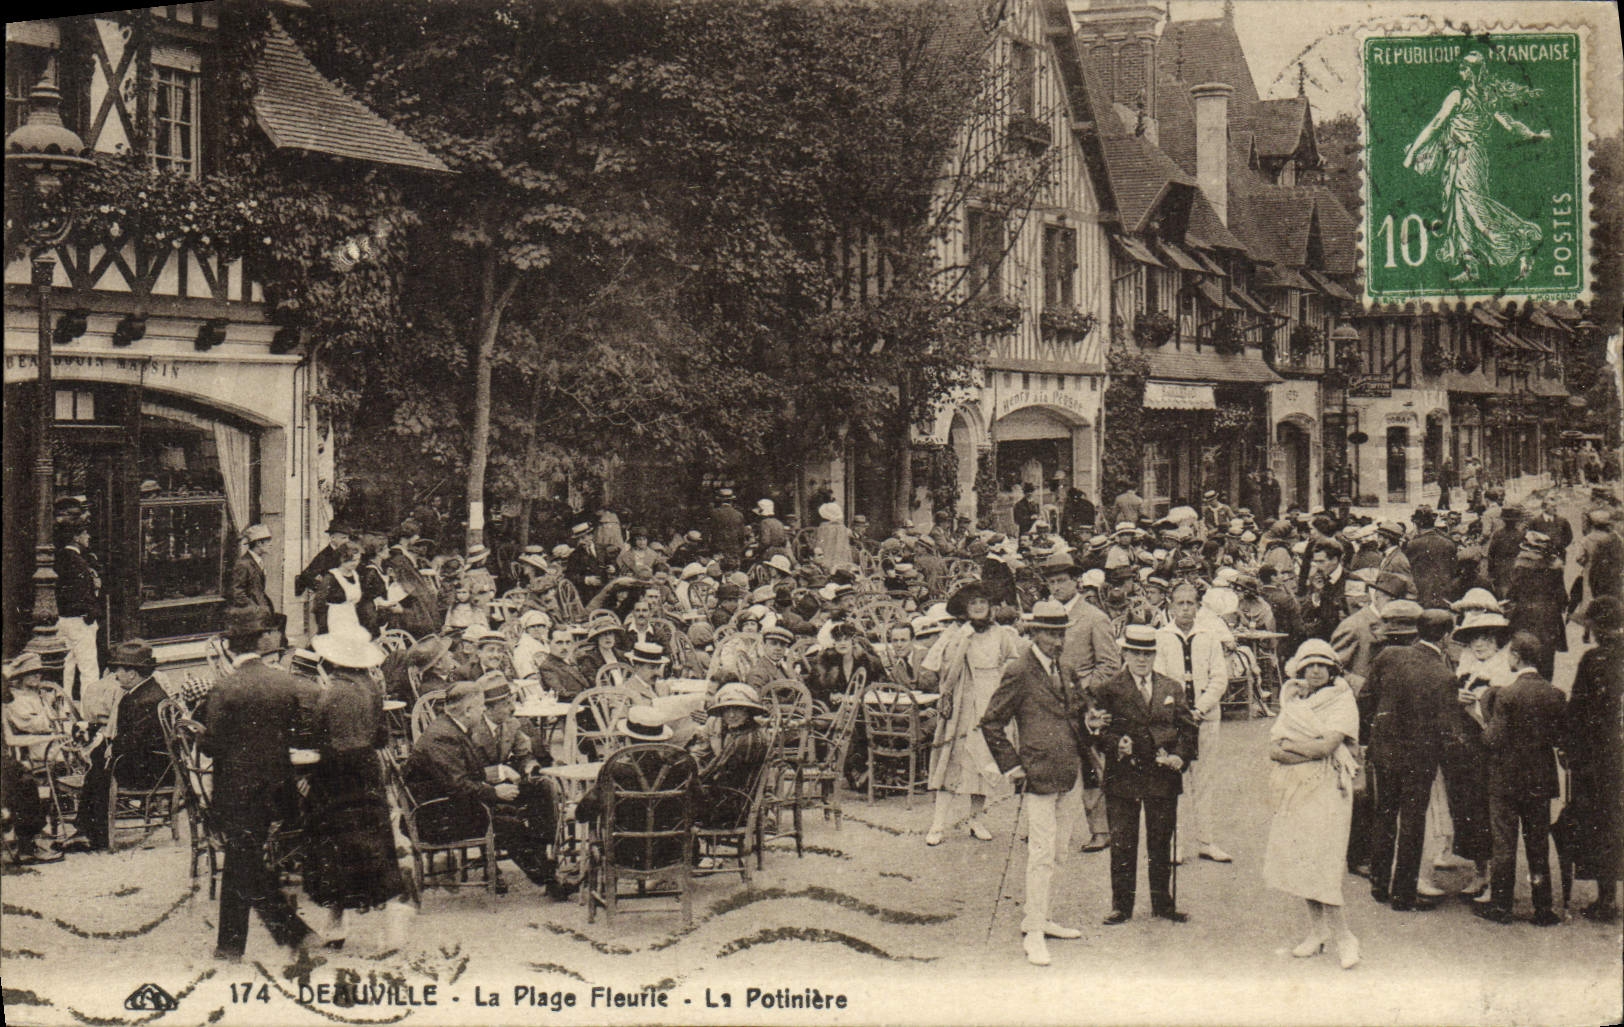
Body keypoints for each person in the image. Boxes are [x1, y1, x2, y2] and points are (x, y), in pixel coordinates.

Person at [201, 607, 319, 962]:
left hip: (236, 792)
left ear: (229, 646)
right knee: (244, 861)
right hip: (279, 788)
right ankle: (250, 942)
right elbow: (299, 729)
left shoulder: (223, 687)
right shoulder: (283, 682)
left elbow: (212, 746)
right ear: (260, 641)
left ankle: (246, 943)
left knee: (242, 862)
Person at [977, 600, 1090, 966]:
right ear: (1035, 633)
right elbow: (991, 722)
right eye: (1051, 634)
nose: (1058, 641)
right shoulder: (1020, 670)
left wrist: (1091, 725)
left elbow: (1078, 715)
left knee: (1059, 852)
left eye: (1061, 634)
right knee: (1041, 854)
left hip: (1068, 772)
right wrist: (1012, 767)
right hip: (1037, 776)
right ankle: (1035, 933)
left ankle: (1041, 918)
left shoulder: (1066, 669)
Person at [302, 634, 411, 949]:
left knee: (336, 848)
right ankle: (389, 927)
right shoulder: (372, 687)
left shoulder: (330, 693)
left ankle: (336, 924)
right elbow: (381, 736)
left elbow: (317, 736)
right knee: (374, 844)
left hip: (337, 772)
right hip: (366, 769)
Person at [1402, 50, 1548, 282]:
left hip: (1465, 158)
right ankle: (1471, 266)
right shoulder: (1488, 98)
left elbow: (1436, 123)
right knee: (1460, 207)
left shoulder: (1457, 95)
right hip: (1468, 157)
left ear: (1472, 72)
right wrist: (1534, 134)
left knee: (1472, 208)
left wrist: (1412, 152)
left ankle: (1523, 242)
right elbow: (1511, 125)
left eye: (1464, 68)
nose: (1460, 71)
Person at [1089, 623, 1198, 927]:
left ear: (1154, 655)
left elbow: (1188, 729)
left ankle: (1163, 903)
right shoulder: (1109, 688)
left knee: (1161, 841)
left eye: (1147, 654)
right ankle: (1121, 906)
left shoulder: (1171, 687)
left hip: (1162, 777)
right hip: (1124, 777)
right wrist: (1115, 744)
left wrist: (1180, 756)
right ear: (1124, 654)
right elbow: (1097, 731)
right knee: (1123, 842)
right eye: (1135, 653)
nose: (1141, 659)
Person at [1263, 639, 1362, 970]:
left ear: (1333, 670)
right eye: (1310, 665)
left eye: (1322, 665)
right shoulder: (1294, 701)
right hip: (1296, 788)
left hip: (1330, 787)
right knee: (1303, 858)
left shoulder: (1342, 700)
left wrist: (1293, 747)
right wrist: (1305, 748)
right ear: (1301, 670)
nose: (1316, 670)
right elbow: (1274, 748)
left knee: (1324, 862)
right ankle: (1318, 931)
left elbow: (1327, 746)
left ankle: (1345, 937)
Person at [404, 679, 557, 889]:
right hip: (435, 818)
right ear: (468, 710)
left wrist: (496, 787)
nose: (484, 710)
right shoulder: (443, 737)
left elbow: (464, 778)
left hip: (451, 807)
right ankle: (546, 877)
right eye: (481, 706)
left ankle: (546, 863)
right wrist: (495, 793)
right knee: (510, 824)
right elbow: (458, 785)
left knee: (537, 790)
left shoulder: (452, 729)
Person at [1361, 603, 1450, 911]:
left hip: (1384, 752)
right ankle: (1403, 893)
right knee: (1412, 823)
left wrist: (1374, 735)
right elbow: (1447, 728)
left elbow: (1366, 698)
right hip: (1420, 760)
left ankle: (1379, 884)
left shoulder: (1389, 656)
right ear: (1445, 638)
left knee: (1384, 815)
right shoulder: (1443, 675)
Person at [919, 583, 1023, 847]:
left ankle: (975, 819)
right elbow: (936, 665)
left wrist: (1003, 680)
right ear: (965, 608)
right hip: (963, 701)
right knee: (954, 762)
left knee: (985, 763)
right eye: (973, 603)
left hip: (992, 699)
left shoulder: (1000, 633)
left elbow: (1013, 661)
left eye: (982, 602)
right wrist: (961, 642)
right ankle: (938, 824)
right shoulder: (956, 632)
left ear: (989, 607)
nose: (978, 607)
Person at [1476, 632, 1566, 925]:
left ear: (1515, 656)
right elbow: (1559, 737)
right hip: (1540, 779)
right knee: (1538, 844)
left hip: (1506, 779)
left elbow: (1492, 739)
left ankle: (1501, 906)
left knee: (1504, 843)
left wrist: (1483, 714)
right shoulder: (1555, 694)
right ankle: (1543, 909)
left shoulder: (1507, 694)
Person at [1425, 609, 1510, 901]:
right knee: (1470, 812)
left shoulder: (1504, 671)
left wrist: (1475, 705)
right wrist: (1455, 700)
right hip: (1464, 753)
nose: (1480, 644)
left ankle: (1495, 880)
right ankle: (1480, 872)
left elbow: (1502, 719)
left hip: (1491, 753)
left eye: (1486, 638)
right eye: (1474, 639)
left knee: (1492, 815)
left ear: (1497, 641)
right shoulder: (1466, 666)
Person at [1155, 581, 1233, 864]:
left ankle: (1206, 841)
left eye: (1191, 603)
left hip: (1206, 718)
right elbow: (1160, 678)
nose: (1186, 609)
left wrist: (1199, 708)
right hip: (1174, 722)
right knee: (1174, 781)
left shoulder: (1209, 637)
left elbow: (1219, 678)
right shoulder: (1162, 638)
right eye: (1180, 603)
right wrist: (1180, 713)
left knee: (1204, 780)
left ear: (1198, 606)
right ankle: (1175, 844)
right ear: (1171, 606)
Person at [1563, 596, 1624, 921]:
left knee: (1602, 823)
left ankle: (1607, 899)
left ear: (1597, 628)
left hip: (1600, 758)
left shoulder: (1593, 660)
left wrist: (1569, 750)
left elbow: (1577, 711)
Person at [77, 641, 171, 850]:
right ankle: (87, 829)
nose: (115, 675)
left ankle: (94, 834)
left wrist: (113, 748)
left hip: (151, 771)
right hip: (150, 762)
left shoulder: (144, 699)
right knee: (99, 759)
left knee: (100, 769)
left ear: (132, 673)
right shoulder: (144, 691)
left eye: (118, 670)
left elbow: (135, 741)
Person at [691, 683, 772, 828]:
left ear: (748, 712)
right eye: (727, 710)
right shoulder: (747, 733)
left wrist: (695, 777)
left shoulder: (745, 740)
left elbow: (717, 773)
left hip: (733, 807)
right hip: (739, 800)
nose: (732, 715)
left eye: (738, 709)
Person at [1505, 531, 1567, 680]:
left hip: (1524, 615)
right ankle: (1545, 686)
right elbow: (1562, 598)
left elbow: (1512, 594)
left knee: (1524, 652)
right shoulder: (1555, 568)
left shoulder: (1520, 567)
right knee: (1547, 656)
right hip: (1549, 617)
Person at [55, 521, 102, 700]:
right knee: (88, 669)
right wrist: (92, 612)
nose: (88, 537)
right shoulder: (79, 562)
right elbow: (82, 594)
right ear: (76, 537)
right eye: (85, 533)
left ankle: (65, 707)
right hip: (80, 621)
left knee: (66, 666)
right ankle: (88, 709)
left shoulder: (58, 559)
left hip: (63, 619)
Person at [310, 541, 371, 640]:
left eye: (358, 560)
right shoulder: (331, 577)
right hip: (334, 618)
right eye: (352, 560)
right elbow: (319, 604)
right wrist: (322, 626)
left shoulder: (355, 575)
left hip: (351, 617)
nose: (356, 563)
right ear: (342, 558)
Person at [1403, 507, 1458, 610]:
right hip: (1445, 593)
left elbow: (1408, 570)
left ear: (1417, 524)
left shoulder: (1413, 544)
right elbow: (1454, 569)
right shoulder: (1449, 543)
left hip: (1423, 594)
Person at [1304, 540, 1349, 642]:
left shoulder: (1351, 580)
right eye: (1315, 562)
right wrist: (1316, 594)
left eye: (1321, 562)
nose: (1318, 567)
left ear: (1334, 560)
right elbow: (1306, 614)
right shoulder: (1317, 579)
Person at [228, 523, 276, 616]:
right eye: (268, 541)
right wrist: (256, 609)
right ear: (259, 543)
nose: (271, 544)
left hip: (260, 614)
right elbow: (237, 593)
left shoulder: (257, 562)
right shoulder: (243, 563)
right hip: (251, 617)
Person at [295, 524, 351, 598]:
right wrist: (323, 589)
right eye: (344, 538)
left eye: (348, 538)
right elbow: (305, 576)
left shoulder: (345, 552)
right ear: (333, 538)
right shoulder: (324, 555)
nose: (347, 540)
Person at [813, 502, 852, 571]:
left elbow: (819, 544)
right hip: (842, 560)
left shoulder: (823, 527)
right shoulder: (843, 528)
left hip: (826, 559)